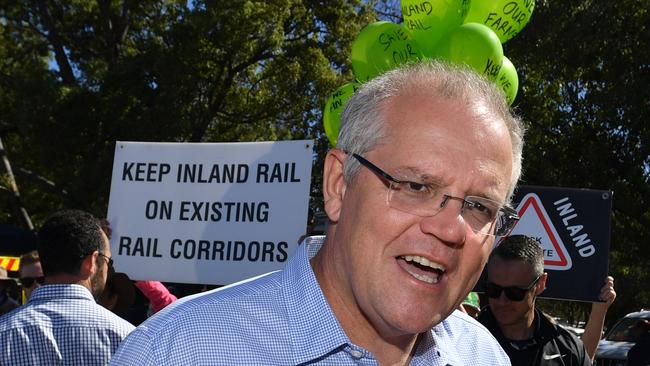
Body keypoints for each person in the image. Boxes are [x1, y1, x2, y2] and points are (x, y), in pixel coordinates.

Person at [111, 60, 525, 365]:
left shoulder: (483, 356)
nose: (450, 229)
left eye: (478, 207)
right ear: (339, 185)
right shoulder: (176, 352)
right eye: (416, 186)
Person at [0, 209, 135, 365]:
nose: (107, 270)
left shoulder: (4, 333)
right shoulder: (127, 338)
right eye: (108, 262)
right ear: (91, 262)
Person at [478, 235, 591, 366]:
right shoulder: (463, 341)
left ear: (540, 284)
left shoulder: (568, 350)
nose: (502, 301)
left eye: (515, 292)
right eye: (493, 290)